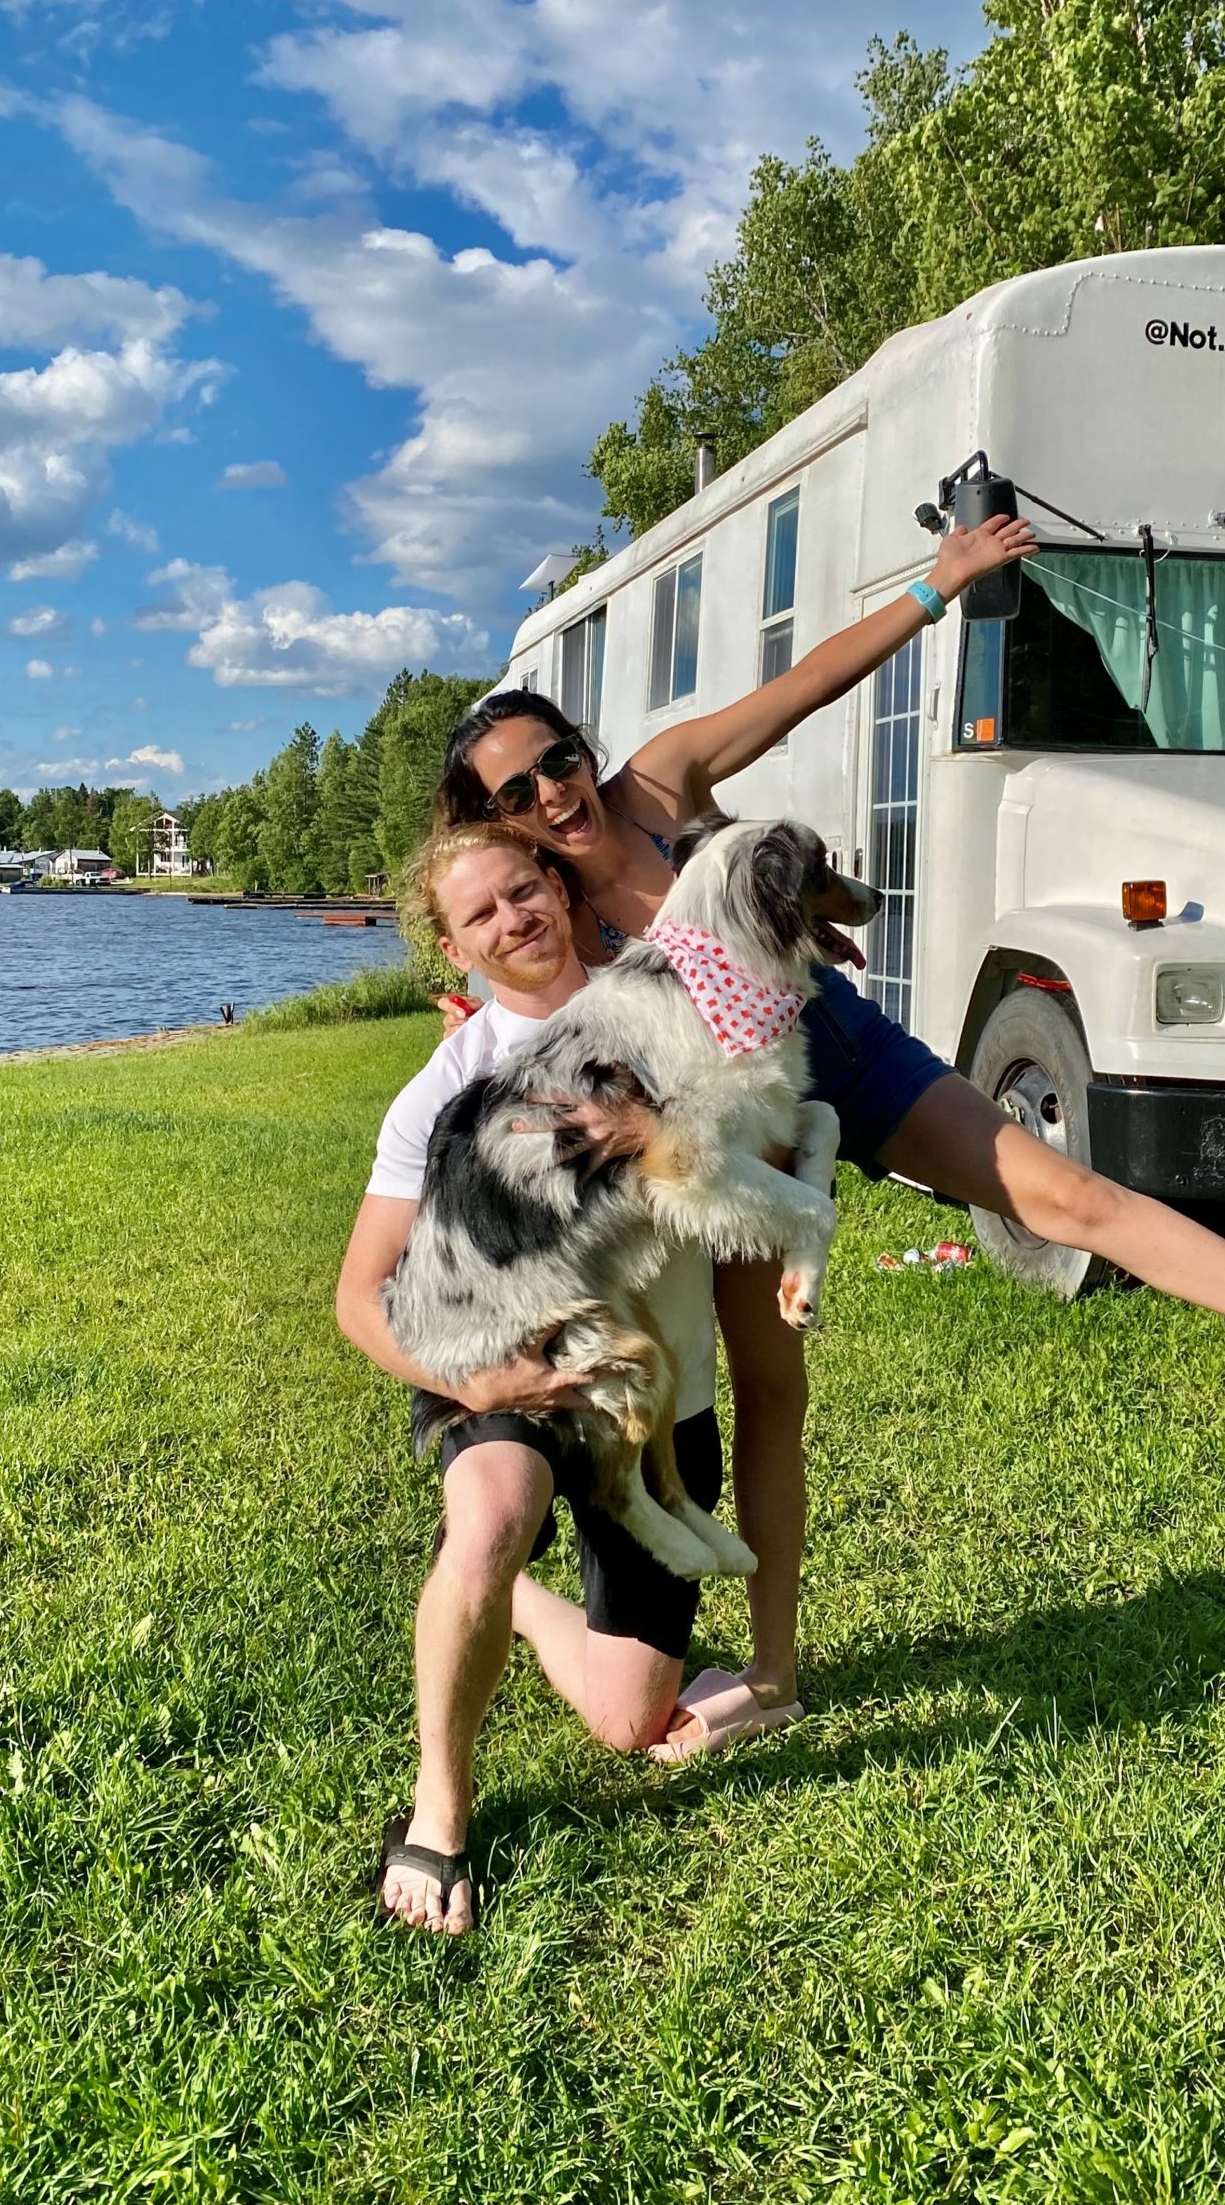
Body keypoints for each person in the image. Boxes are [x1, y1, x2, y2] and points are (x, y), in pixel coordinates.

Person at [432, 515, 1225, 1749]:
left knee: (1070, 1199)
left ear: (583, 748)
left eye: (556, 759)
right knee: (773, 1391)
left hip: (837, 1045)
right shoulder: (544, 902)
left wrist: (936, 590)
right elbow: (543, 1027)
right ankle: (776, 1667)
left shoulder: (662, 782)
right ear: (496, 818)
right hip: (731, 1126)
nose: (552, 793)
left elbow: (800, 688)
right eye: (515, 792)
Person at [336, 820, 787, 1938]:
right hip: (507, 1372)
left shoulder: (676, 1007)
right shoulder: (443, 1086)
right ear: (455, 949)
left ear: (559, 886)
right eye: (480, 912)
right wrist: (478, 1386)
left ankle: (518, 1605)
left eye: (523, 888)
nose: (513, 917)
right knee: (494, 1514)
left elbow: (753, 1150)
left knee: (632, 1720)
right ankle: (441, 1805)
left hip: (655, 1400)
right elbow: (360, 1297)